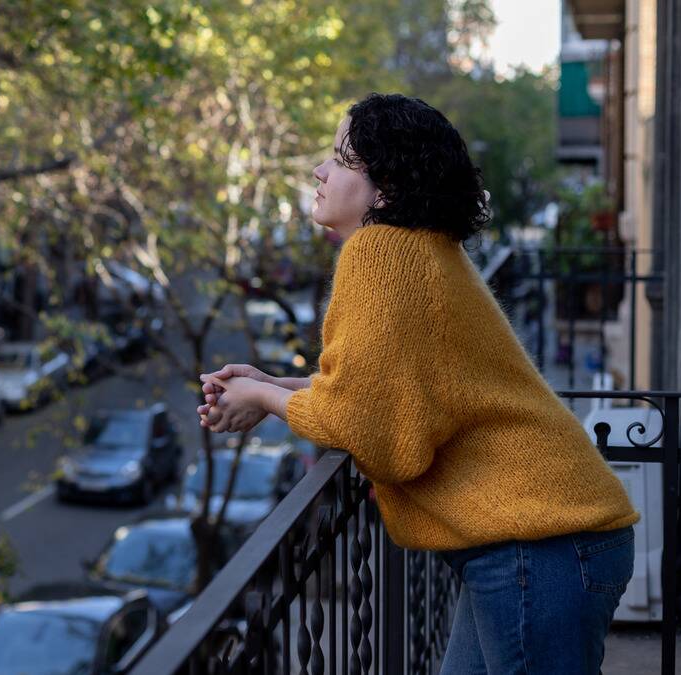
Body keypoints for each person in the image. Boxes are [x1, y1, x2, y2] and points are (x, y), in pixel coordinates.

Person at [196, 93, 639, 674]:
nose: (319, 170)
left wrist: (260, 397)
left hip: (540, 547)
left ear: (386, 189)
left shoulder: (380, 253)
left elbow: (368, 428)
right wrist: (271, 382)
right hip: (545, 543)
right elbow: (379, 390)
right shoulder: (420, 250)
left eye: (341, 158)